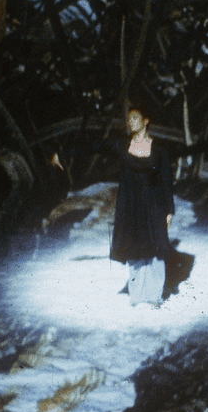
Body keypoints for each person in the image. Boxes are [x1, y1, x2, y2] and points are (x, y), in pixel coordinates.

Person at [50, 104, 176, 307]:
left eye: (135, 117)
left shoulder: (159, 151)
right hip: (131, 206)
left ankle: (154, 295)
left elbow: (166, 182)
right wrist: (63, 154)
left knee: (155, 250)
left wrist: (169, 211)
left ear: (146, 121)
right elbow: (94, 146)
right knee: (134, 250)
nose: (130, 121)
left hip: (153, 206)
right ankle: (137, 295)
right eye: (129, 118)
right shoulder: (121, 145)